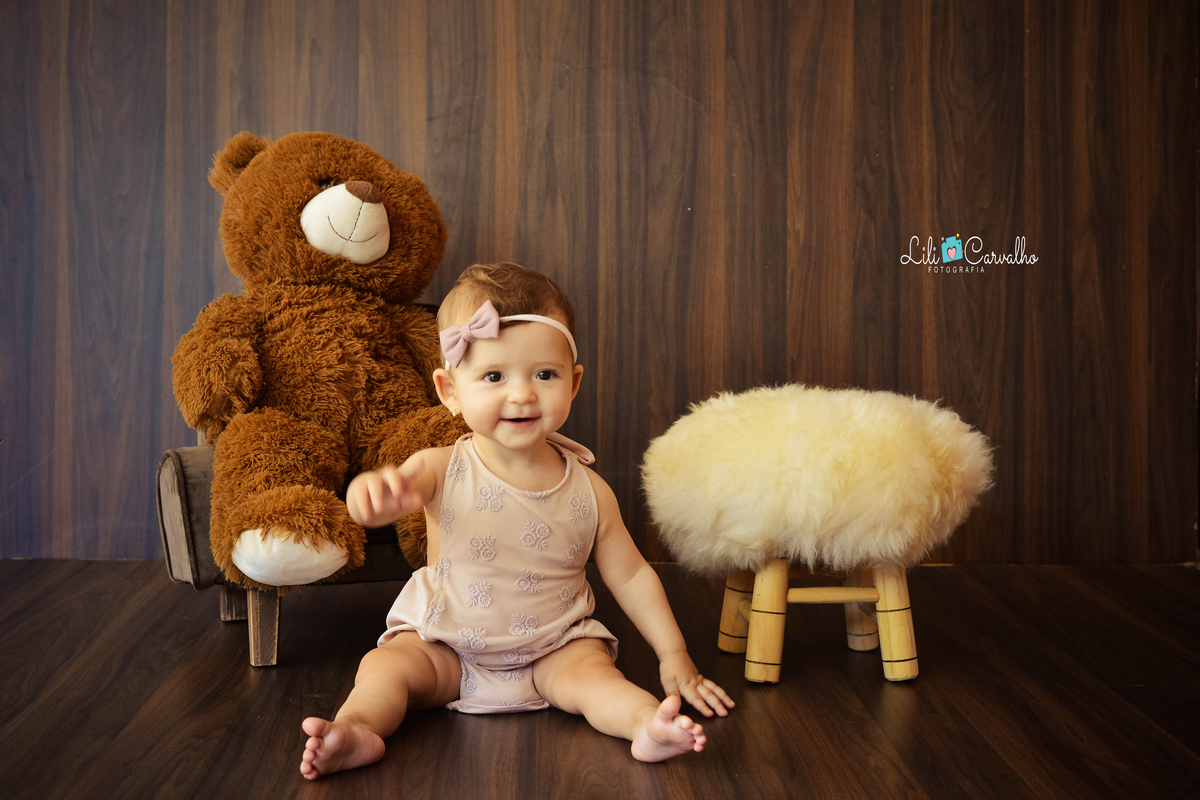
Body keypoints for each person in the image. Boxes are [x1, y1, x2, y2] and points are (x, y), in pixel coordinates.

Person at [300, 262, 734, 779]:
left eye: (544, 374)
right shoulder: (441, 467)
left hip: (554, 648)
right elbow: (397, 491)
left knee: (596, 678)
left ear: (573, 383)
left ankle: (646, 724)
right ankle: (357, 730)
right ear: (450, 390)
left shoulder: (590, 491)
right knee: (385, 670)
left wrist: (674, 653)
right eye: (493, 376)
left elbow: (632, 574)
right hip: (448, 647)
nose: (522, 393)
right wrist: (368, 494)